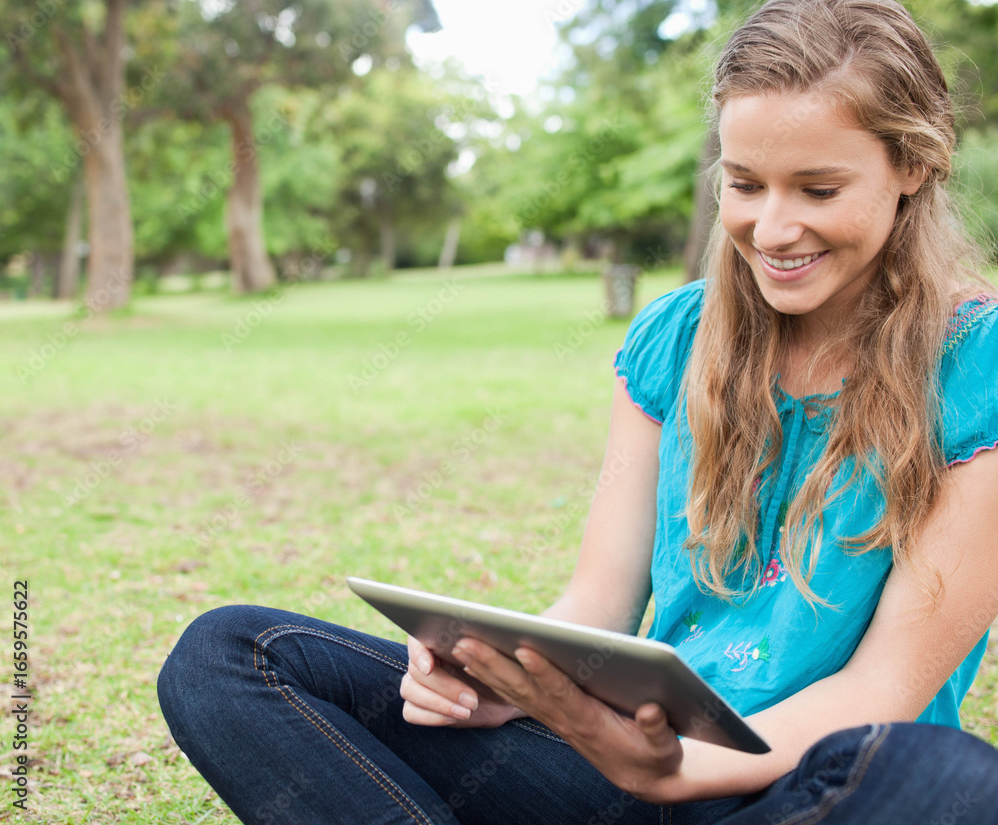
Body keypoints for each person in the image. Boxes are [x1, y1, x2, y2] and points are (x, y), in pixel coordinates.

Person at [158, 1, 998, 822]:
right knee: (229, 656)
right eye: (745, 183)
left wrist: (676, 770)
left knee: (951, 779)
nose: (772, 227)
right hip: (622, 759)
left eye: (817, 188)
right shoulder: (674, 339)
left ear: (912, 165)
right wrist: (503, 677)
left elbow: (881, 689)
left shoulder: (977, 362)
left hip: (807, 782)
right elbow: (597, 607)